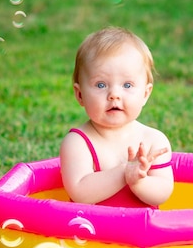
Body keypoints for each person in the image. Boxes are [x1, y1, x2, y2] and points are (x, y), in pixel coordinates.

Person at [59, 27, 174, 208]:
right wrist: (123, 173)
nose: (114, 94)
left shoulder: (154, 141)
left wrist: (137, 181)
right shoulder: (77, 142)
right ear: (80, 95)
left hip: (143, 233)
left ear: (145, 94)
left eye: (127, 85)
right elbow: (80, 192)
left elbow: (162, 193)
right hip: (93, 233)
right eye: (101, 84)